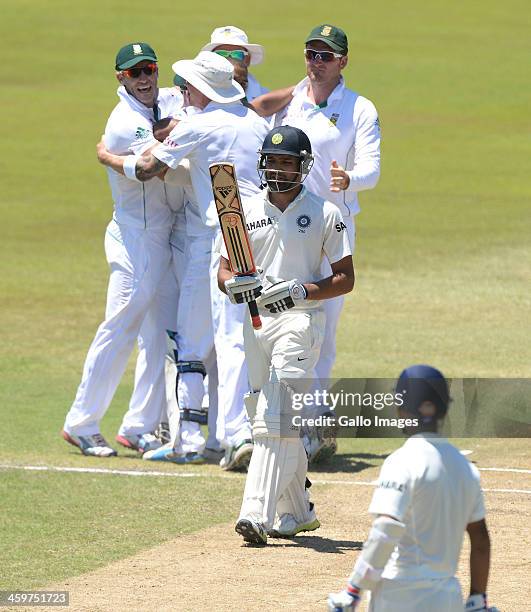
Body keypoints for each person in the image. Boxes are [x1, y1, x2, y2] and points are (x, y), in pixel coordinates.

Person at [96, 51, 270, 469]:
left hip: (224, 232)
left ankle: (219, 436)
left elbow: (148, 166)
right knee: (239, 335)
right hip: (262, 232)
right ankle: (222, 434)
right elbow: (202, 171)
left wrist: (107, 158)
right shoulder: (255, 122)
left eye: (187, 85)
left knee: (208, 337)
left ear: (203, 90)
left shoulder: (198, 123)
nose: (182, 91)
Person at [218, 125, 354, 544]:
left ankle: (254, 513)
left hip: (301, 322)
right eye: (272, 162)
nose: (277, 170)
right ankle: (296, 512)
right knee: (269, 412)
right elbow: (225, 268)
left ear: (302, 167)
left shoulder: (326, 213)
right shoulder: (241, 212)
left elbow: (345, 278)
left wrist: (303, 290)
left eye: (286, 162)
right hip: (256, 322)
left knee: (272, 416)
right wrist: (230, 285)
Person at [253, 24, 381, 462]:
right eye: (311, 53)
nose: (317, 61)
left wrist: (350, 180)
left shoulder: (359, 107)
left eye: (326, 56)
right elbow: (255, 111)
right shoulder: (293, 100)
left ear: (343, 60)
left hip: (332, 224)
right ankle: (275, 421)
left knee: (321, 331)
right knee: (276, 323)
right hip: (284, 224)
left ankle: (311, 424)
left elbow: (372, 168)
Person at [62, 42, 184, 457]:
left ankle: (138, 425)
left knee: (160, 332)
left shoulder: (166, 98)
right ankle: (81, 422)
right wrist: (109, 156)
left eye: (149, 69)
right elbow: (153, 168)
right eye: (135, 73)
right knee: (120, 327)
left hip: (164, 234)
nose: (145, 78)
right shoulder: (122, 123)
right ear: (121, 78)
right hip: (135, 238)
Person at [327, 365, 498, 612]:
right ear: (444, 408)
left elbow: (385, 530)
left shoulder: (401, 461)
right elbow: (480, 540)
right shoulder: (466, 469)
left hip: (397, 596)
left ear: (402, 410)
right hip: (446, 599)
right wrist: (477, 599)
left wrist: (354, 590)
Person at [201, 25, 268, 102]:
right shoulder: (194, 94)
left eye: (237, 54)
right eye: (221, 54)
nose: (228, 61)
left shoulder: (265, 97)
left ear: (247, 59)